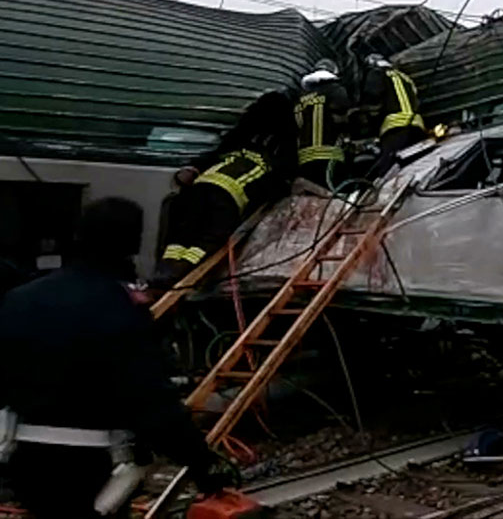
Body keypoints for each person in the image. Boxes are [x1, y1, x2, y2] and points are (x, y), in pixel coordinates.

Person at [0, 197, 229, 518]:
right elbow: (151, 401)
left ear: (79, 234)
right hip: (94, 463)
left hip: (25, 458)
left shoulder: (20, 299)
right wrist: (203, 462)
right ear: (133, 243)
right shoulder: (120, 308)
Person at [150, 89, 298, 290]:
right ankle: (185, 272)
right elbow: (279, 182)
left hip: (199, 187)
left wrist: (193, 168)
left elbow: (215, 153)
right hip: (228, 197)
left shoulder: (239, 138)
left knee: (182, 234)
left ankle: (165, 272)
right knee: (206, 241)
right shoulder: (281, 149)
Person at [350, 54, 426, 180]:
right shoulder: (405, 77)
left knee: (390, 168)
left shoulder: (377, 74)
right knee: (418, 164)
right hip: (416, 125)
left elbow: (372, 96)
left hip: (394, 128)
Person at [294, 59, 351, 189]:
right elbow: (344, 115)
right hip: (330, 155)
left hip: (304, 159)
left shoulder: (300, 99)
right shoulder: (335, 90)